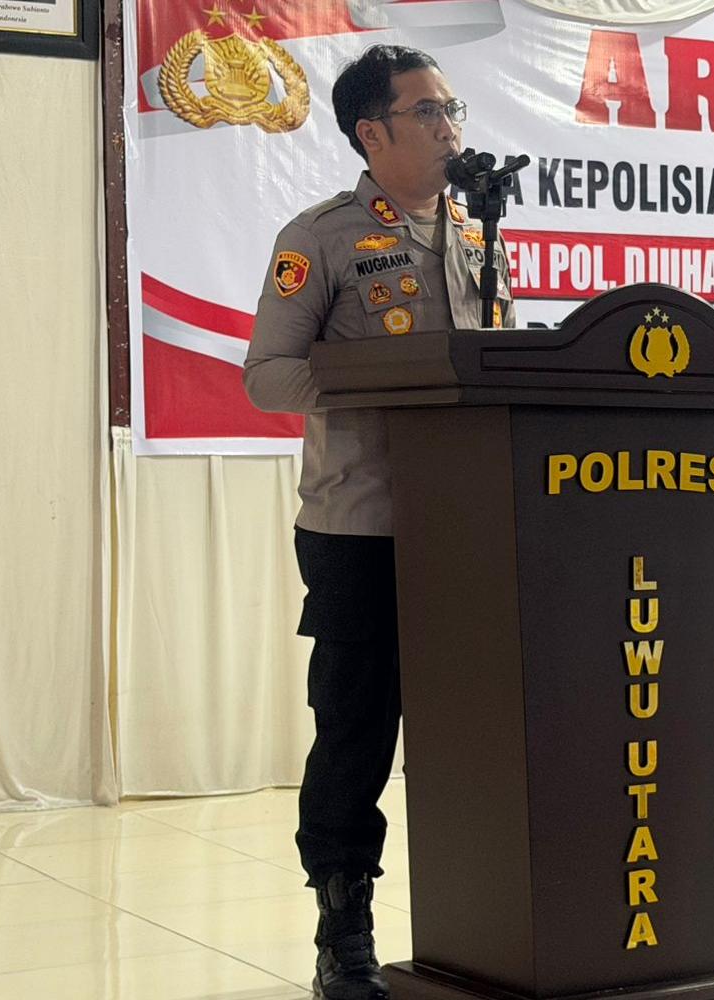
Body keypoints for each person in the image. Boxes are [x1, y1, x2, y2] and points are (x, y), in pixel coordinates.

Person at [243, 43, 517, 1000]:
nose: (450, 128)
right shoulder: (319, 238)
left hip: (471, 525)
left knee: (481, 725)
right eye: (428, 112)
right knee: (357, 728)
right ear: (371, 132)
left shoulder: (481, 233)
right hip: (361, 527)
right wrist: (389, 382)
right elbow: (267, 376)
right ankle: (343, 927)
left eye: (454, 110)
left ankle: (487, 914)